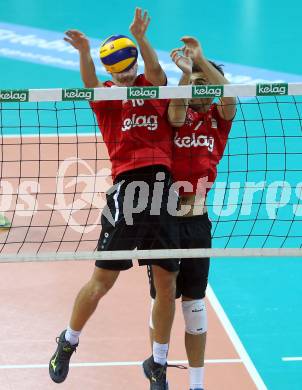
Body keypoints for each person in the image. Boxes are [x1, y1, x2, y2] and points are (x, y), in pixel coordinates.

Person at [48, 8, 180, 389]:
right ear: (110, 71)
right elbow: (89, 81)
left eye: (127, 67)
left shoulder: (152, 87)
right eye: (116, 70)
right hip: (128, 191)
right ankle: (68, 341)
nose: (122, 73)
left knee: (167, 283)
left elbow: (156, 70)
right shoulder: (106, 98)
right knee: (103, 280)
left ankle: (158, 364)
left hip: (164, 191)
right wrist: (85, 50)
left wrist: (141, 38)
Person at [148, 36, 236, 390]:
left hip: (197, 221)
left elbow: (228, 97)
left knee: (195, 307)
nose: (204, 90)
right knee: (162, 299)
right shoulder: (178, 114)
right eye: (198, 84)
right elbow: (176, 112)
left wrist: (203, 63)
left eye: (207, 84)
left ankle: (197, 384)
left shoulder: (219, 119)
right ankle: (158, 368)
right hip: (164, 219)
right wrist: (187, 74)